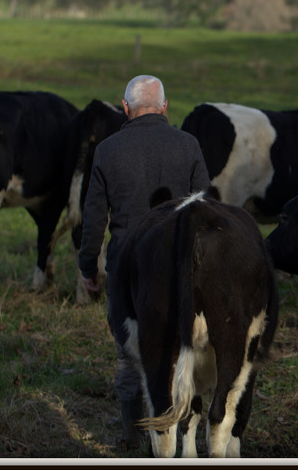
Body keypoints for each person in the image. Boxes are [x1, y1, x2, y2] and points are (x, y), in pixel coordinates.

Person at [78, 74, 210, 450]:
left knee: (131, 359)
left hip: (128, 271)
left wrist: (89, 268)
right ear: (165, 107)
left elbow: (93, 221)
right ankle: (176, 437)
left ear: (125, 108)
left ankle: (133, 439)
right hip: (184, 270)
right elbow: (206, 207)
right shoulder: (189, 145)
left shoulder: (107, 150)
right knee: (184, 354)